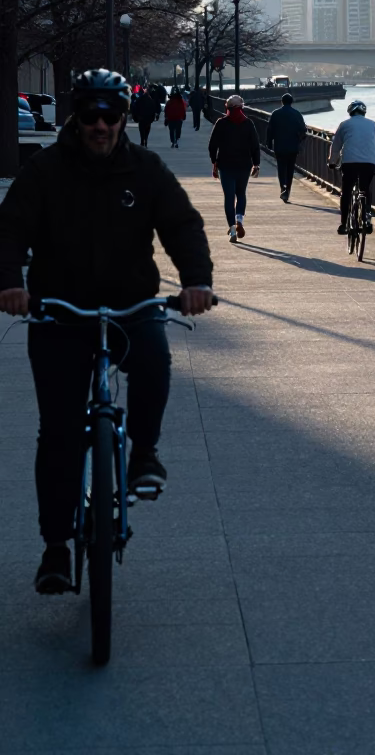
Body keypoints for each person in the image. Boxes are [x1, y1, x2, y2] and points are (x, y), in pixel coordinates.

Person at [0, 68, 214, 594]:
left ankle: (144, 454)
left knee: (153, 360)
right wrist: (10, 284)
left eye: (110, 115)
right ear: (78, 116)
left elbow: (182, 225)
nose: (100, 125)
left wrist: (196, 282)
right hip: (58, 308)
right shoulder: (45, 170)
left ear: (122, 117)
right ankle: (55, 547)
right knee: (58, 435)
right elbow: (8, 230)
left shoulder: (145, 168)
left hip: (129, 302)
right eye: (91, 114)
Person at [209, 94, 260, 242]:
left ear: (227, 108)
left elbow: (212, 146)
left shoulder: (221, 123)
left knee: (229, 197)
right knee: (241, 193)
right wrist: (256, 164)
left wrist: (215, 162)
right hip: (244, 165)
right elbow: (255, 146)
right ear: (241, 107)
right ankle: (240, 220)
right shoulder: (248, 123)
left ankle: (232, 230)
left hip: (226, 165)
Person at [328, 100, 375, 236]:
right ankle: (367, 218)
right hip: (369, 163)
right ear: (364, 112)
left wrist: (332, 162)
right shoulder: (373, 124)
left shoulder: (344, 125)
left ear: (350, 112)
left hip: (349, 163)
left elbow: (336, 146)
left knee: (346, 191)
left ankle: (343, 224)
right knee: (365, 189)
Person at [266, 92, 306, 202]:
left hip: (279, 146)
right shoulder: (297, 114)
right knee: (290, 169)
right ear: (291, 102)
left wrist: (269, 142)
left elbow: (270, 130)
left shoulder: (275, 113)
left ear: (282, 102)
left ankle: (282, 187)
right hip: (293, 146)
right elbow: (303, 130)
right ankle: (287, 189)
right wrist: (300, 140)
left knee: (281, 167)